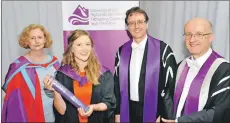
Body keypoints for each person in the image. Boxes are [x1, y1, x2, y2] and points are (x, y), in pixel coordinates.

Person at [113, 7, 178, 123]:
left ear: (147, 24)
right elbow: (116, 85)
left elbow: (170, 86)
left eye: (140, 22)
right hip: (128, 110)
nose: (136, 26)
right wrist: (117, 112)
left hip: (156, 112)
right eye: (132, 23)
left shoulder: (163, 50)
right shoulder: (121, 51)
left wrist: (163, 113)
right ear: (127, 27)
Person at [162, 18, 230, 122]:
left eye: (199, 34)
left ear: (210, 37)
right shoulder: (180, 66)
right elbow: (169, 98)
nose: (192, 39)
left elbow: (219, 111)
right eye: (188, 34)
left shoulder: (224, 70)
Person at [44, 29, 116, 123]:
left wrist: (94, 107)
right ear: (71, 49)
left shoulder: (103, 74)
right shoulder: (63, 74)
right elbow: (62, 111)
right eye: (79, 45)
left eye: (87, 44)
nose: (84, 49)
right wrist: (55, 91)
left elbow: (109, 103)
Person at [1, 24, 60, 122]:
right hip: (31, 115)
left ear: (45, 40)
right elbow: (14, 101)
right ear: (26, 41)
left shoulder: (55, 62)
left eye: (40, 37)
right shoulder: (18, 66)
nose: (37, 41)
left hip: (56, 113)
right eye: (32, 38)